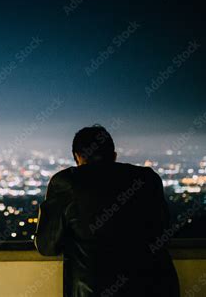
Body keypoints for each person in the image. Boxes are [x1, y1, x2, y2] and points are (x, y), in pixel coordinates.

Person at [35, 124, 180, 297]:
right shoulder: (147, 179)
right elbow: (163, 231)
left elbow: (47, 246)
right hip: (156, 287)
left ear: (77, 156)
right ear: (114, 155)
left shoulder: (67, 183)